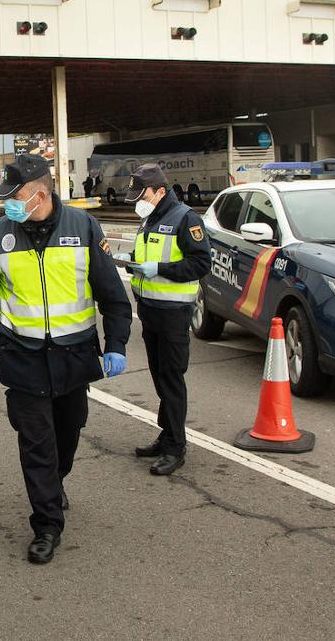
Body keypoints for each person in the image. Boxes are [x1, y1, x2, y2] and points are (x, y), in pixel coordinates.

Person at [0, 154, 132, 565]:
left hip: (73, 357)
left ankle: (56, 482)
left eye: (13, 196)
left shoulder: (83, 227)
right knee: (36, 444)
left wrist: (117, 344)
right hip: (23, 359)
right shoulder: (0, 234)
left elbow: (112, 295)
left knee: (67, 436)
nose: (7, 205)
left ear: (39, 193)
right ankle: (46, 525)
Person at [124, 163, 212, 476]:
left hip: (174, 314)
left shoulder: (185, 218)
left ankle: (176, 447)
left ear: (161, 191)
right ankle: (166, 436)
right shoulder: (150, 217)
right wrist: (134, 265)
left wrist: (159, 270)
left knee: (172, 380)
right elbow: (149, 256)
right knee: (161, 377)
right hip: (150, 311)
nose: (138, 200)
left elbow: (201, 263)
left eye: (142, 194)